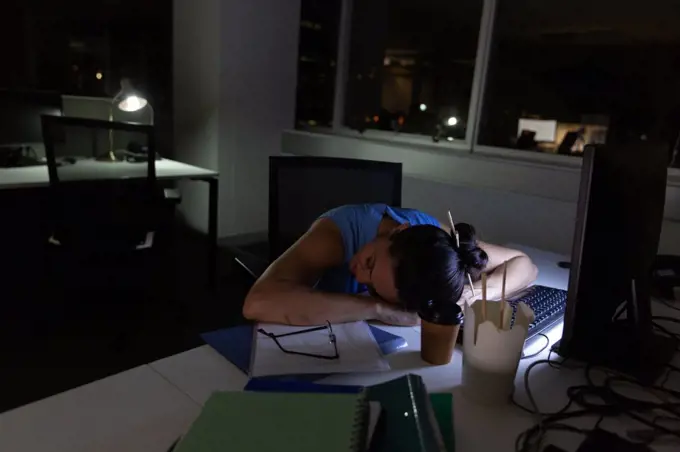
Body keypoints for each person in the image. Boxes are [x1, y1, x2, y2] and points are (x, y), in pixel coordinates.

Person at [243, 204, 537, 326]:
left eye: (373, 288)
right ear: (396, 231)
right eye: (369, 261)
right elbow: (256, 303)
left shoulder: (438, 249)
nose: (357, 273)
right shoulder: (335, 236)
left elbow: (524, 264)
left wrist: (469, 296)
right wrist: (378, 307)